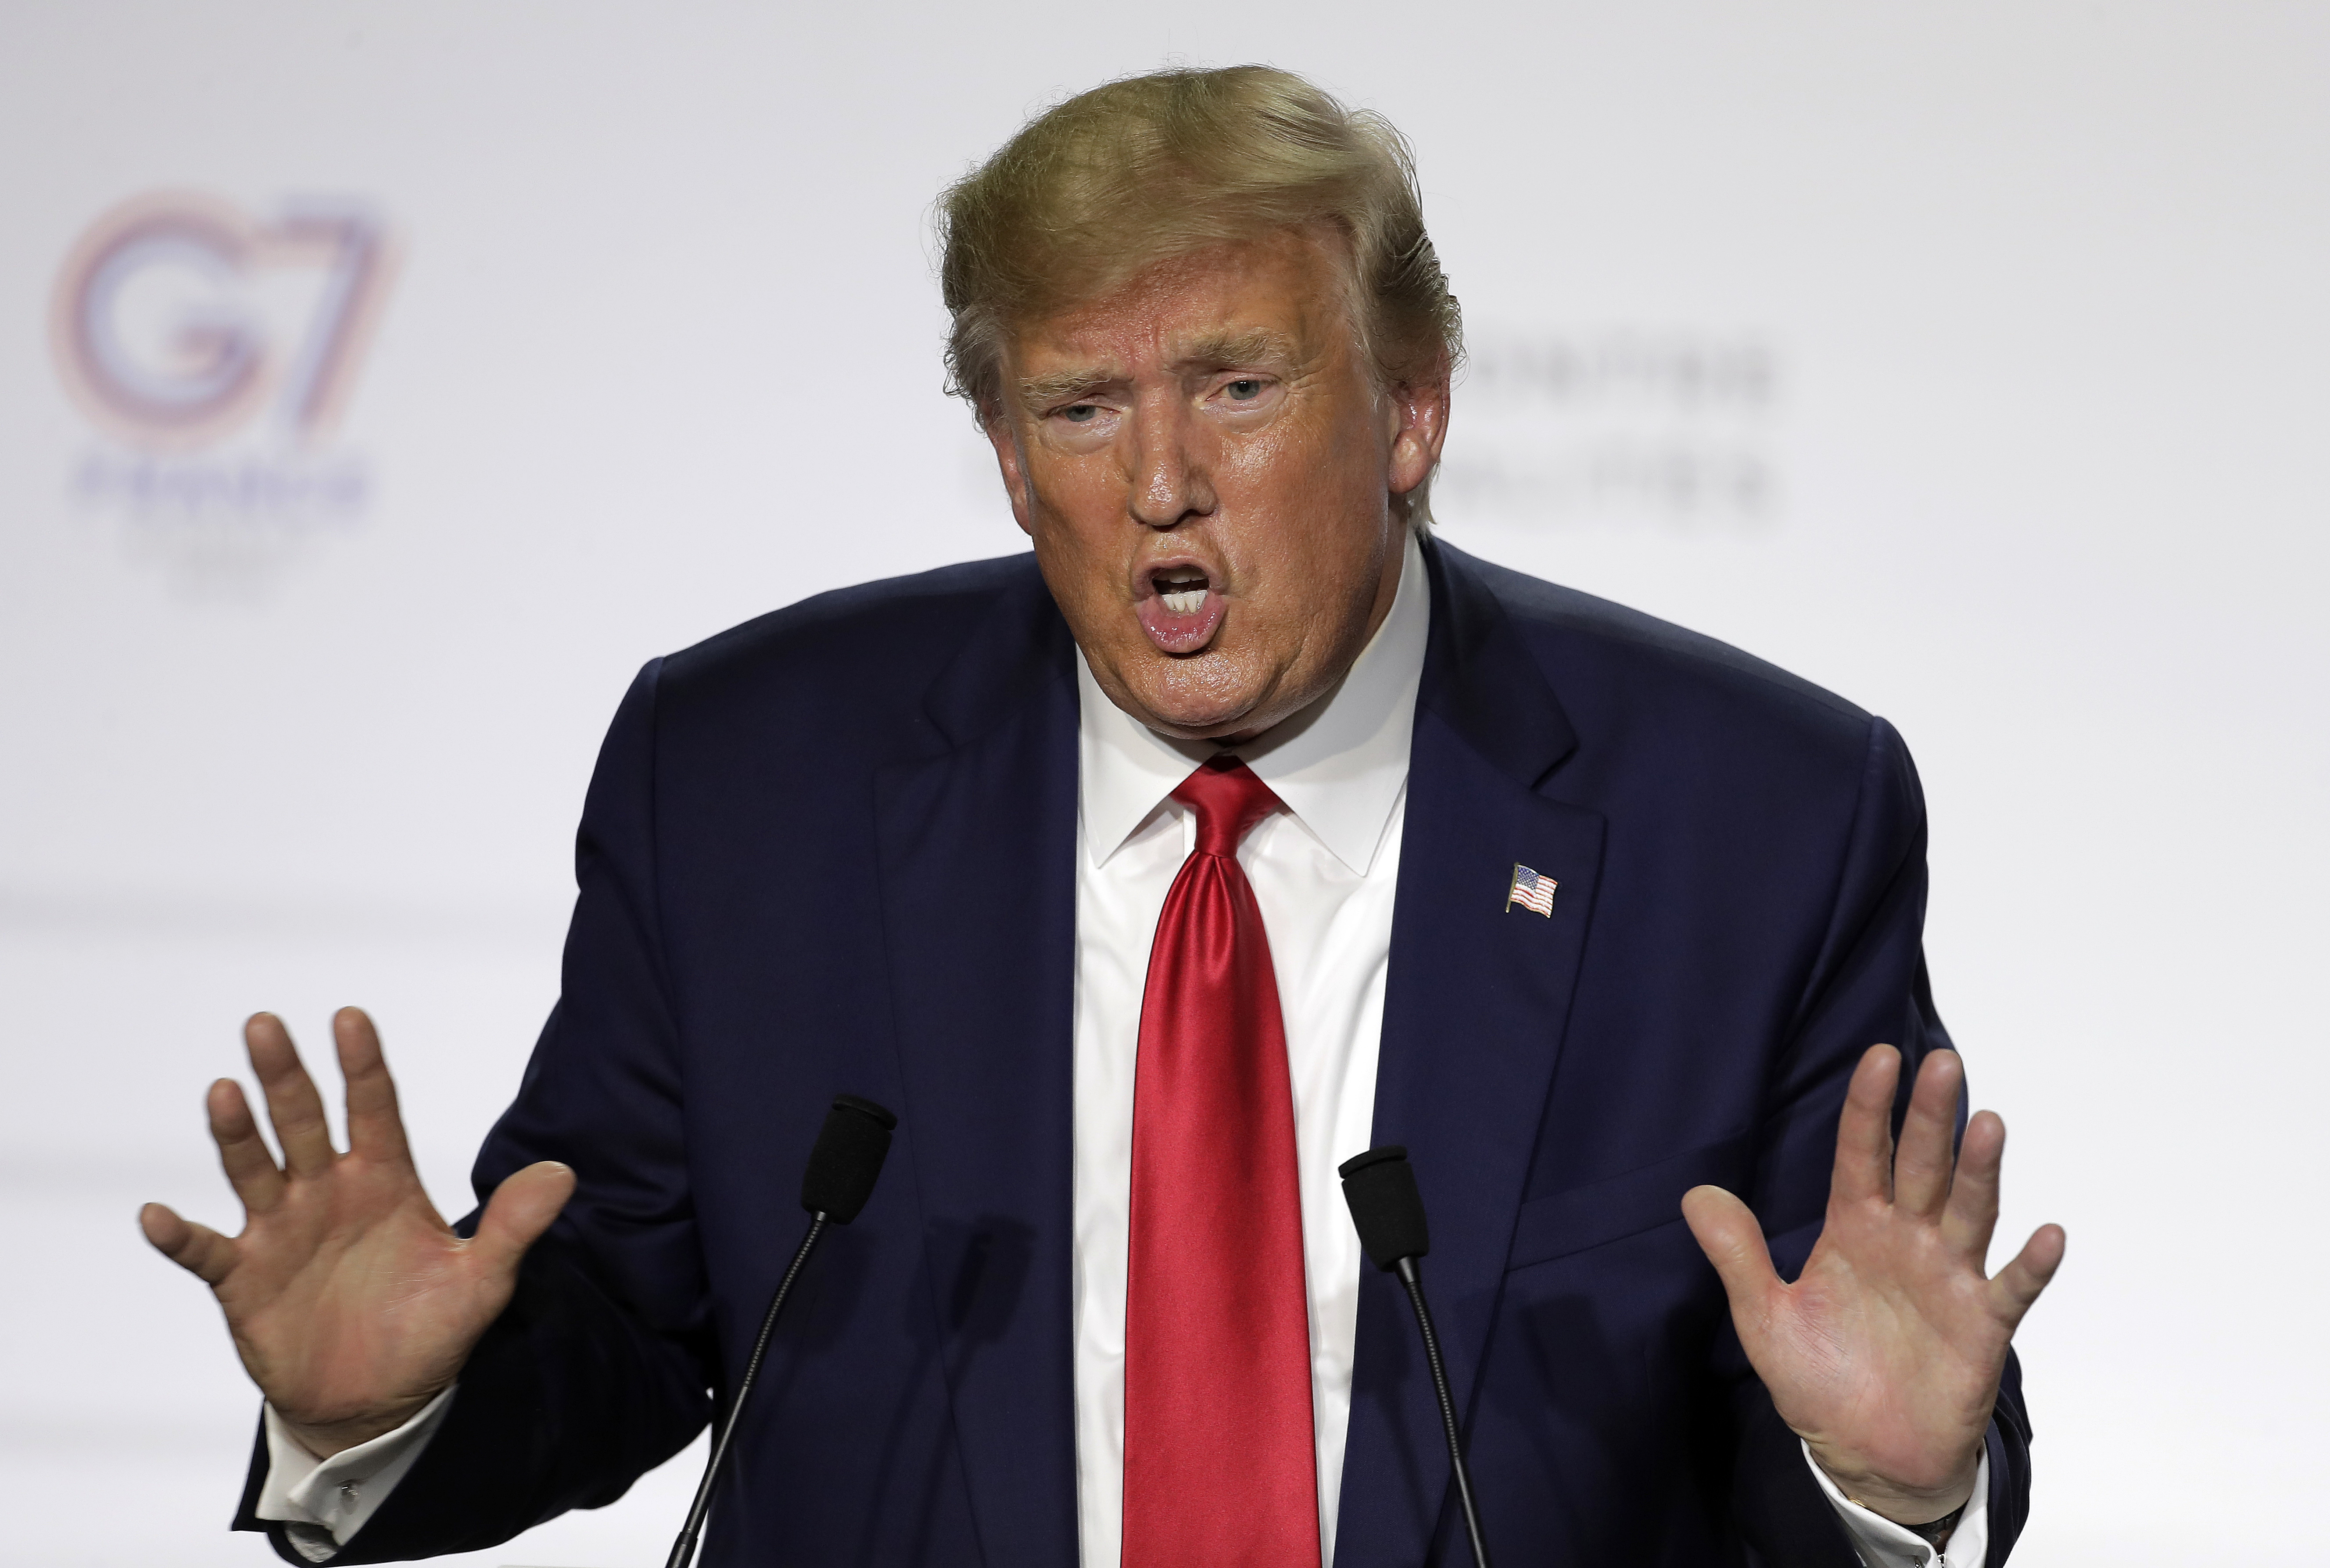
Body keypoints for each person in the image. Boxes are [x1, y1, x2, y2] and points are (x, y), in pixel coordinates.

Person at [141, 65, 2062, 1568]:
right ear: (1000, 453)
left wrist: (1878, 1476)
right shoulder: (743, 782)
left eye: (1235, 386)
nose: (1158, 482)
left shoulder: (1749, 818)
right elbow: (624, 1326)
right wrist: (378, 1411)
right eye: (1076, 409)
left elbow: (1825, 1392)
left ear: (1409, 411)